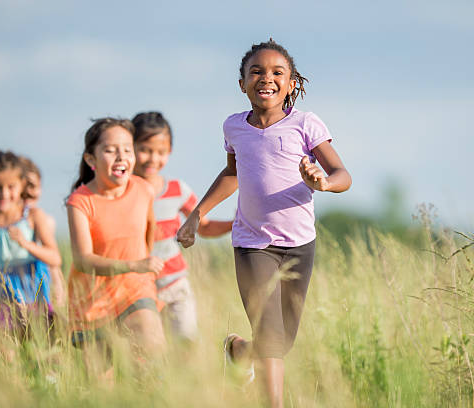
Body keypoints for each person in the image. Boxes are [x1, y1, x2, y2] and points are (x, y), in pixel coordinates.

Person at [177, 39, 351, 407]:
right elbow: (232, 174)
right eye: (256, 71)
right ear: (242, 83)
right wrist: (197, 214)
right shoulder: (234, 127)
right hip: (252, 243)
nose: (266, 78)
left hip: (300, 244)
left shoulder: (306, 124)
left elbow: (342, 174)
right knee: (271, 335)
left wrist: (322, 182)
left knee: (282, 339)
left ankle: (240, 351)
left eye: (277, 72)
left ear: (291, 83)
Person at [66, 117, 166, 360]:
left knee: (152, 357)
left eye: (127, 150)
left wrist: (143, 269)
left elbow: (147, 237)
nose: (121, 157)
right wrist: (133, 265)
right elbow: (82, 260)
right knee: (101, 388)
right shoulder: (79, 202)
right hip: (92, 302)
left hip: (136, 291)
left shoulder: (144, 190)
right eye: (110, 150)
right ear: (91, 159)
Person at [132, 111, 232, 342]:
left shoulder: (178, 189)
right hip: (138, 287)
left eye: (160, 152)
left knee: (185, 342)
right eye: (145, 149)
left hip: (175, 283)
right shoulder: (124, 191)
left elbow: (203, 227)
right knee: (147, 350)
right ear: (131, 147)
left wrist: (235, 224)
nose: (152, 158)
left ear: (170, 152)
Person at [0, 150, 63, 327]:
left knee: (38, 344)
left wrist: (25, 243)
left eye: (11, 187)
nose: (4, 194)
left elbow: (55, 258)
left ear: (21, 185)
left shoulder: (33, 217)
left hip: (32, 292)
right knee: (4, 348)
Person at [19, 156, 66, 308]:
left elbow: (53, 263)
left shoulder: (45, 220)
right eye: (24, 188)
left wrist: (59, 294)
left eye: (34, 186)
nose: (29, 193)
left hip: (39, 282)